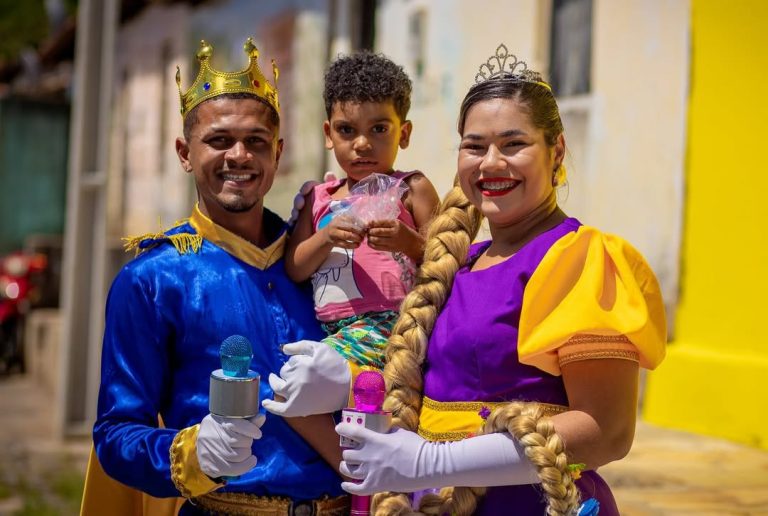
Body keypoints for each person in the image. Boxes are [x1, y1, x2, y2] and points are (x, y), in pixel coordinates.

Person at [273, 44, 667, 515]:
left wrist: (432, 462)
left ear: (556, 150)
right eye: (475, 146)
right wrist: (350, 380)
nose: (491, 163)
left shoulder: (582, 258)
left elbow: (607, 432)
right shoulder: (457, 263)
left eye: (514, 144)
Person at [82, 38, 349, 516]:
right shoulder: (152, 279)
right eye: (219, 140)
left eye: (256, 142)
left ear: (278, 154)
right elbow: (116, 434)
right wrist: (192, 452)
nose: (239, 156)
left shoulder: (328, 258)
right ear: (185, 152)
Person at [263, 53, 439, 425]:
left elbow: (446, 260)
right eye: (347, 130)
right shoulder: (318, 198)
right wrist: (326, 237)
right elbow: (295, 268)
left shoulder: (412, 189)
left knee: (305, 379)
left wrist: (407, 241)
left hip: (392, 326)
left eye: (379, 129)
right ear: (328, 135)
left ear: (404, 133)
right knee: (353, 418)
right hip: (332, 330)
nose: (362, 144)